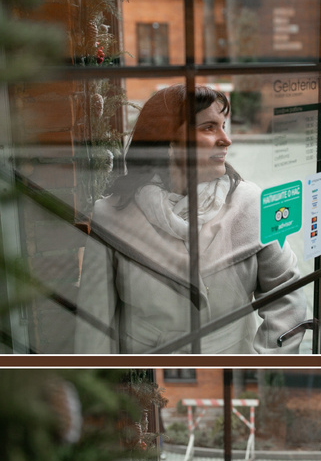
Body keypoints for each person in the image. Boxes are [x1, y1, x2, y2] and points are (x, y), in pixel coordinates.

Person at [76, 85, 308, 353]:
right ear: (170, 142)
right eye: (209, 127)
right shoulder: (111, 218)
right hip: (149, 378)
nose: (226, 139)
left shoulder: (251, 204)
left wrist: (261, 366)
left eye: (223, 125)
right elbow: (94, 327)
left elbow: (287, 296)